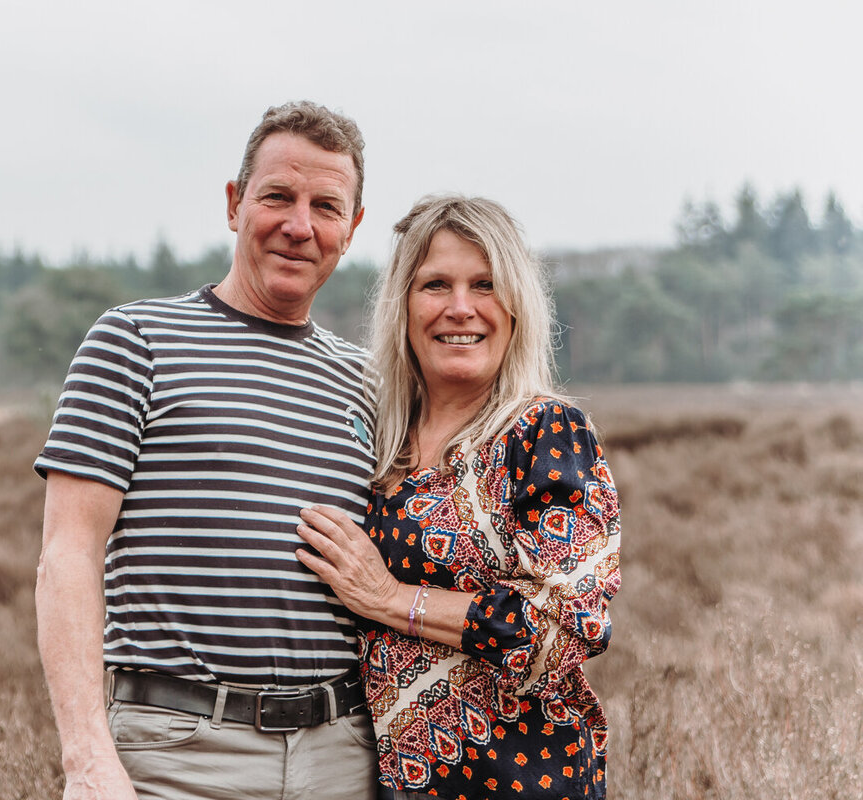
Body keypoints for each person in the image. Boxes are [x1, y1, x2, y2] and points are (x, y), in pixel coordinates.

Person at [34, 101, 379, 800]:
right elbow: (67, 552)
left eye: (326, 206)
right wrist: (88, 759)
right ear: (234, 203)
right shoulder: (134, 342)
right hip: (176, 757)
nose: (299, 226)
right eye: (278, 196)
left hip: (343, 758)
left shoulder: (371, 382)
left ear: (353, 228)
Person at [295, 195, 621, 799]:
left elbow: (569, 625)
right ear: (403, 305)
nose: (460, 308)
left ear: (517, 307)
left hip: (524, 782)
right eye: (435, 285)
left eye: (485, 285)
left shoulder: (544, 432)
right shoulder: (378, 445)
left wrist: (392, 599)